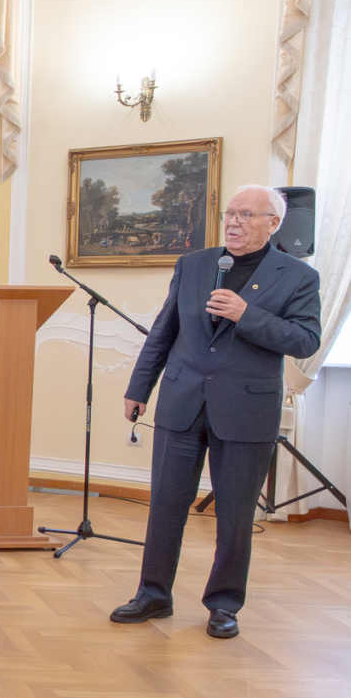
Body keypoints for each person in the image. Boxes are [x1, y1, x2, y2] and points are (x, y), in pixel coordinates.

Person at [116, 184, 321, 639]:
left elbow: (305, 341)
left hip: (246, 409)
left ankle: (224, 604)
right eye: (230, 213)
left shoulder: (299, 277)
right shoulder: (194, 264)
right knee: (165, 505)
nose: (234, 222)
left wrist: (247, 314)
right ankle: (153, 594)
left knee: (234, 514)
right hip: (181, 401)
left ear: (273, 223)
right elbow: (164, 331)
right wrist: (139, 387)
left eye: (247, 214)